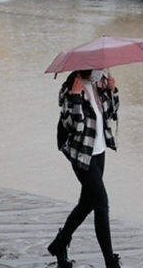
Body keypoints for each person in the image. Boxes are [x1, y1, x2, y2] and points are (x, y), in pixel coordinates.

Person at [48, 69, 121, 268]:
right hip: (81, 154)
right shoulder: (70, 89)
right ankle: (110, 263)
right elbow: (74, 126)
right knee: (101, 203)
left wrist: (112, 91)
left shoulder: (100, 84)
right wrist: (75, 97)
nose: (100, 70)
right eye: (96, 66)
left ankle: (60, 243)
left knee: (87, 204)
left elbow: (111, 113)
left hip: (99, 152)